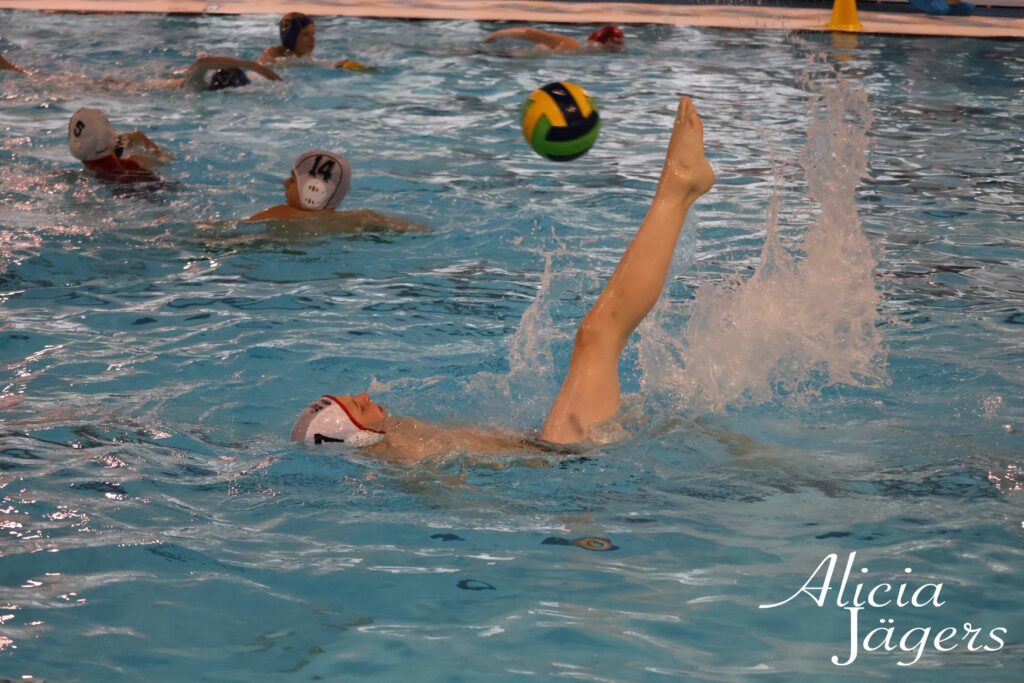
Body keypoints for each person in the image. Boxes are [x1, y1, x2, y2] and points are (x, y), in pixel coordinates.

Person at [290, 96, 715, 461]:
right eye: (358, 407)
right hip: (563, 456)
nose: (366, 396)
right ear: (357, 435)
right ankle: (678, 188)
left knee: (599, 337)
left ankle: (679, 191)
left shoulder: (398, 444)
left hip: (549, 448)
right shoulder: (404, 455)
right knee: (598, 334)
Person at [247, 150, 427, 232]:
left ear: (313, 189)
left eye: (293, 180)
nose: (285, 183)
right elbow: (417, 229)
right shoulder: (358, 218)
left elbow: (236, 231)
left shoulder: (279, 214)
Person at [68, 107, 169, 181]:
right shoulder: (133, 164)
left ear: (76, 145)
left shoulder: (80, 177)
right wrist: (145, 141)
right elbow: (164, 159)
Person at [258, 13, 374, 72]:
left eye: (313, 34)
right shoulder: (273, 53)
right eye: (305, 34)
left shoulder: (305, 56)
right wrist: (333, 65)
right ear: (291, 38)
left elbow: (306, 63)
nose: (312, 39)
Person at [151, 55, 280, 91]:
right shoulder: (196, 86)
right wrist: (248, 65)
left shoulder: (199, 84)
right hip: (143, 89)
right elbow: (201, 62)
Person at [483, 24, 624, 52]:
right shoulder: (570, 44)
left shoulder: (574, 48)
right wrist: (496, 35)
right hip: (497, 55)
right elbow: (528, 33)